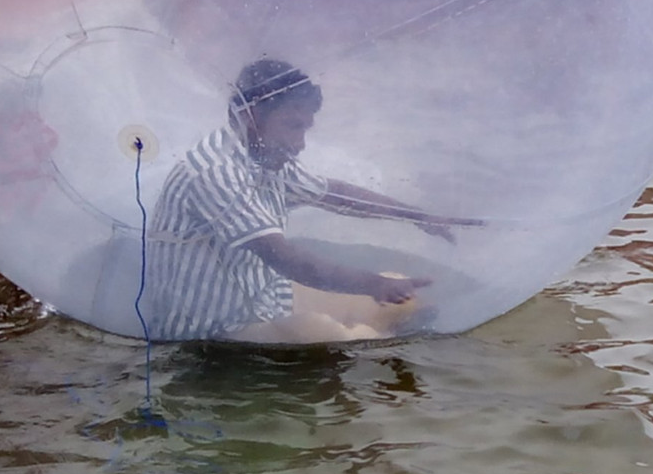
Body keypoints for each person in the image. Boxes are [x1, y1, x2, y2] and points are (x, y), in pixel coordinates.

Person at [146, 58, 477, 343]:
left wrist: (415, 215)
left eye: (305, 128)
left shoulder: (264, 157)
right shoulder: (214, 172)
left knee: (403, 300)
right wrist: (373, 285)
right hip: (214, 332)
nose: (300, 143)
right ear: (251, 116)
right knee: (334, 336)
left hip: (266, 300)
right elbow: (289, 261)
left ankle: (391, 344)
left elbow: (335, 195)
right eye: (292, 126)